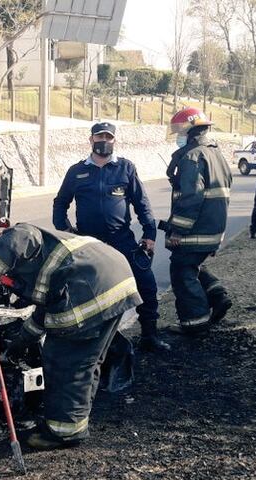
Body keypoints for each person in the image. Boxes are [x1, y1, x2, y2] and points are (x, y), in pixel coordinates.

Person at [0, 222, 141, 450]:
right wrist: (20, 343)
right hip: (114, 281)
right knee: (87, 362)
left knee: (63, 361)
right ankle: (75, 420)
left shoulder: (19, 235)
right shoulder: (39, 258)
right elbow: (43, 310)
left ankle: (62, 433)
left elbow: (22, 235)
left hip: (90, 287)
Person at [52, 121, 170, 352]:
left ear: (115, 140)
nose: (103, 141)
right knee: (85, 291)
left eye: (108, 137)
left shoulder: (125, 168)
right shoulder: (76, 171)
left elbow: (142, 204)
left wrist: (149, 234)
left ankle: (149, 335)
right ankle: (91, 342)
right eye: (99, 137)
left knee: (146, 284)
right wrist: (66, 232)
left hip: (121, 240)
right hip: (88, 243)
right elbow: (60, 204)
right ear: (91, 140)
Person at [164, 107, 233, 335]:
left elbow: (191, 198)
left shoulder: (193, 157)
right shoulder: (215, 154)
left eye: (179, 132)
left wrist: (177, 231)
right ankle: (217, 294)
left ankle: (195, 323)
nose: (177, 137)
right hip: (212, 230)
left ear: (190, 131)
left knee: (182, 271)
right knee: (192, 265)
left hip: (194, 231)